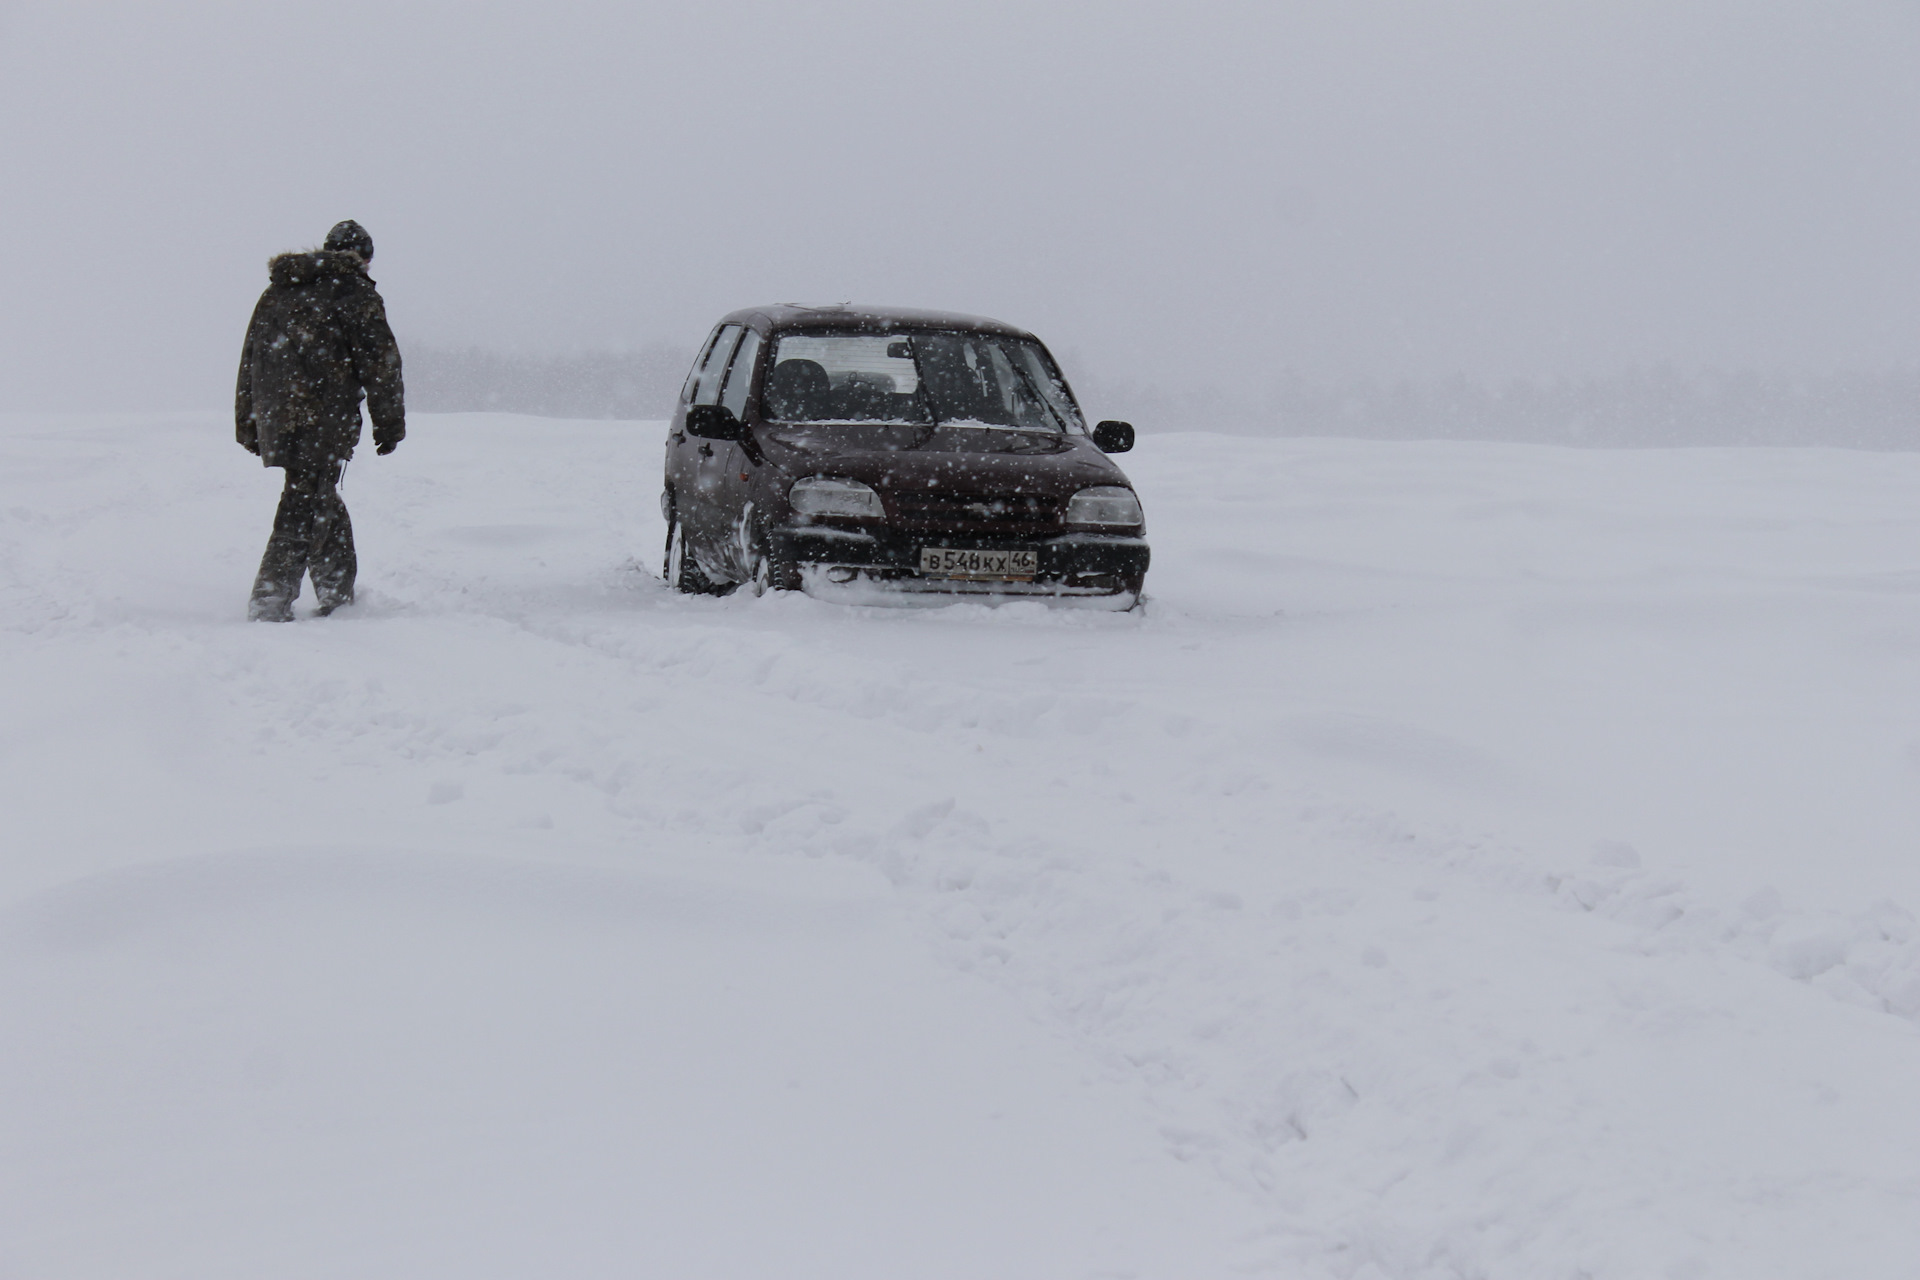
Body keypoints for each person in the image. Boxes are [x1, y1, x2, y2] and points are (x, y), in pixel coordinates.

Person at [235, 219, 405, 621]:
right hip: (324, 417)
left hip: (280, 416)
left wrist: (250, 420)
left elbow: (252, 358)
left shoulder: (278, 291)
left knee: (317, 493)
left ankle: (338, 589)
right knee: (305, 499)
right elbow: (381, 364)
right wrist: (389, 423)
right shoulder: (353, 292)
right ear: (362, 258)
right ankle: (270, 600)